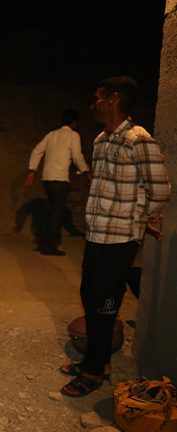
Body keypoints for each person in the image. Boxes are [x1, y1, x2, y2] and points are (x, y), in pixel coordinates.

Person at [59, 76, 171, 397]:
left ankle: (93, 372)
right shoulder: (100, 141)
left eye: (98, 98)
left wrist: (138, 220)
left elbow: (160, 189)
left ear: (114, 100)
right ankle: (100, 361)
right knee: (90, 297)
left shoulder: (139, 140)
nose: (93, 104)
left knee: (104, 305)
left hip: (120, 241)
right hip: (97, 236)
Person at [25, 109, 91, 256]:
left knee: (52, 210)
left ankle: (43, 239)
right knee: (57, 213)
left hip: (47, 179)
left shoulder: (51, 135)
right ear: (74, 122)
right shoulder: (73, 135)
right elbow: (77, 156)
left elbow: (37, 151)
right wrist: (87, 172)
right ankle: (48, 245)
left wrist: (32, 170)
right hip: (59, 179)